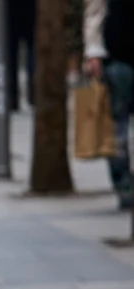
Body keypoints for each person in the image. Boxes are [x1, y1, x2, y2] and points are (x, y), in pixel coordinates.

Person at [85, 0, 134, 209]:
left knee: (118, 128)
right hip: (117, 57)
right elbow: (95, 9)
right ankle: (124, 187)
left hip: (117, 56)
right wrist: (94, 51)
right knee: (117, 129)